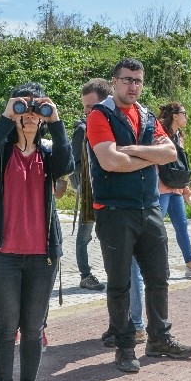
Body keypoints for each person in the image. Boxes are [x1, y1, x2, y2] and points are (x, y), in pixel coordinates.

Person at [86, 57, 191, 373]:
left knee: (159, 277)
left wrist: (131, 150)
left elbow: (170, 153)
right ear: (114, 81)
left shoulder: (146, 115)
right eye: (127, 80)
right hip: (114, 210)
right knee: (120, 283)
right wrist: (150, 156)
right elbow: (109, 161)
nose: (133, 86)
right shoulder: (100, 115)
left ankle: (159, 338)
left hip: (149, 208)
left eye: (138, 80)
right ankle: (124, 346)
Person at [0, 83, 73, 381]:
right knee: (7, 327)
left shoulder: (47, 156)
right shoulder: (1, 152)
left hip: (41, 255)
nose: (31, 115)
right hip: (1, 253)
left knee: (34, 327)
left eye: (38, 109)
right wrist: (7, 117)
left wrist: (57, 122)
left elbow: (66, 164)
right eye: (24, 109)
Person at [157, 102, 191, 278]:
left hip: (176, 188)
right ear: (175, 116)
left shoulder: (179, 135)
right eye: (184, 113)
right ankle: (156, 267)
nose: (187, 117)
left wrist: (185, 187)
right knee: (156, 228)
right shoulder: (160, 133)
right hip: (162, 186)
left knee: (182, 226)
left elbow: (180, 164)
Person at [71, 78, 111, 292]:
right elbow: (74, 163)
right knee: (85, 235)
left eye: (90, 106)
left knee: (110, 234)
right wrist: (82, 184)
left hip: (112, 190)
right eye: (84, 106)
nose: (86, 111)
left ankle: (116, 271)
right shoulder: (81, 129)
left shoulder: (114, 123)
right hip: (90, 191)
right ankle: (85, 275)